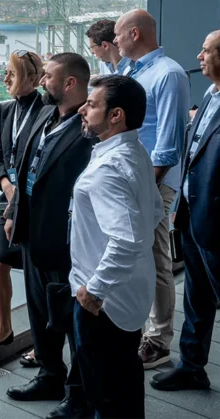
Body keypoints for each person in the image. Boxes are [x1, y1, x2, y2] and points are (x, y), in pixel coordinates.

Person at [152, 29, 220, 419]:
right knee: (196, 301)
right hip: (194, 221)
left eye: (205, 51)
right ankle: (192, 367)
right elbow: (196, 158)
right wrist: (180, 211)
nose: (199, 56)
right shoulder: (213, 96)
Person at [5, 53, 93, 419]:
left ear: (70, 83)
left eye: (48, 76)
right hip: (32, 234)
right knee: (40, 312)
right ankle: (49, 375)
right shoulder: (44, 114)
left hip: (66, 241)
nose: (42, 81)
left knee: (73, 321)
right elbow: (26, 166)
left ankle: (79, 395)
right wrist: (14, 212)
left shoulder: (89, 127)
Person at [71, 75, 163, 419]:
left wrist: (94, 291)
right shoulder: (135, 152)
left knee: (106, 396)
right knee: (125, 383)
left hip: (104, 303)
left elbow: (126, 240)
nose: (82, 109)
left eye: (91, 104)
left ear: (115, 115)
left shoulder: (108, 168)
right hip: (128, 293)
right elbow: (155, 211)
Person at [113, 8, 190, 368]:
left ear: (135, 34)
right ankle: (135, 326)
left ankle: (158, 340)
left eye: (118, 34)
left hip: (153, 185)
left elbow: (169, 145)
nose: (114, 40)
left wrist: (146, 187)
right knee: (131, 255)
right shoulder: (130, 71)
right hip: (128, 181)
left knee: (158, 259)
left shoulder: (169, 74)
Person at [0, 50, 44, 368]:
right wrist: (6, 186)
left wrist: (20, 192)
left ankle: (42, 340)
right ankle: (4, 328)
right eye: (5, 72)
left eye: (12, 73)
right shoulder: (5, 110)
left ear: (33, 78)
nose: (5, 79)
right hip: (9, 198)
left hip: (34, 200)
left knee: (36, 273)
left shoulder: (47, 111)